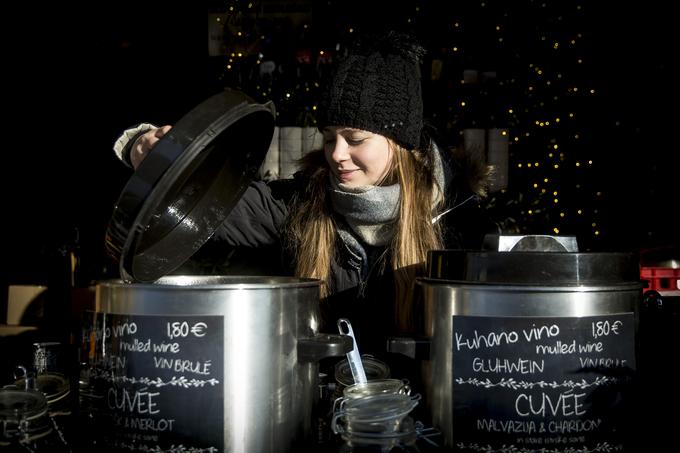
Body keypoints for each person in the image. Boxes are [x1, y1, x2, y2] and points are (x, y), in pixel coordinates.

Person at [112, 30, 492, 357]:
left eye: (355, 139)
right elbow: (211, 201)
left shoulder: (457, 216)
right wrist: (143, 149)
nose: (338, 155)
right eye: (330, 138)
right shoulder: (301, 202)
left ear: (400, 143)